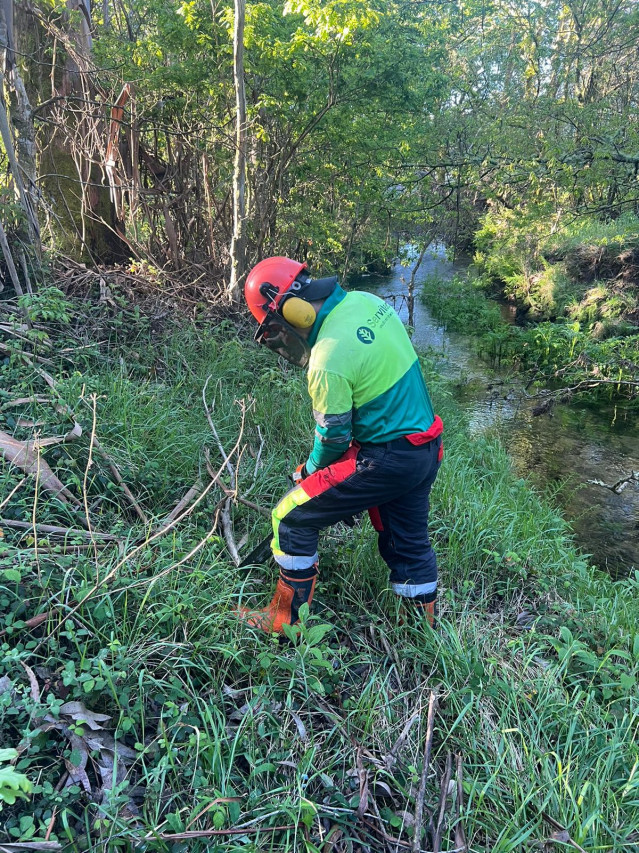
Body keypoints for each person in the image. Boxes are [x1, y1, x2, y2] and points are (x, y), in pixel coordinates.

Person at [241, 256, 443, 632]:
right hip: (425, 449)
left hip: (386, 459)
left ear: (288, 310)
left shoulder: (327, 358)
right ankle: (421, 632)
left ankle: (284, 622)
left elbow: (333, 437)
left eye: (274, 327)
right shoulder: (367, 302)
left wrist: (311, 474)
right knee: (407, 539)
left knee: (290, 516)